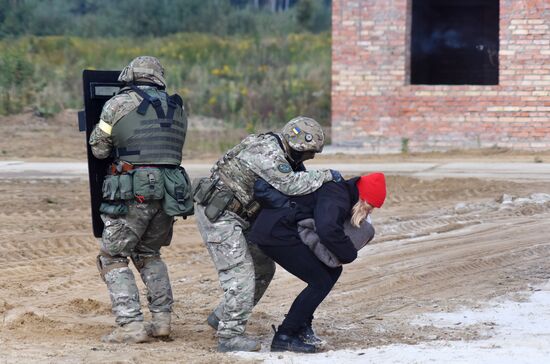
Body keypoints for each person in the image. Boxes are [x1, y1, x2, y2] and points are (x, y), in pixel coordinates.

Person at [194, 116, 342, 352]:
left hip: (241, 214)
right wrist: (328, 175)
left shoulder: (280, 151)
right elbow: (291, 185)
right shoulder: (267, 151)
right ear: (295, 146)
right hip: (220, 214)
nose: (310, 158)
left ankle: (223, 316)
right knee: (240, 273)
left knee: (263, 268)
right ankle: (230, 336)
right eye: (308, 153)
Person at [89, 56, 191, 343]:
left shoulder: (118, 104)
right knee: (149, 254)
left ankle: (130, 325)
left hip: (134, 189)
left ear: (131, 76)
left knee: (112, 255)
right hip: (172, 190)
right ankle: (161, 322)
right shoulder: (178, 107)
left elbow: (98, 148)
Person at [247, 173, 387, 353]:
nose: (368, 212)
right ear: (364, 198)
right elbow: (327, 228)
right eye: (369, 207)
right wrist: (349, 254)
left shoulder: (341, 192)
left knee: (332, 272)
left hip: (283, 229)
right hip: (275, 234)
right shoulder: (338, 195)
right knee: (320, 282)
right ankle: (285, 336)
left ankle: (302, 324)